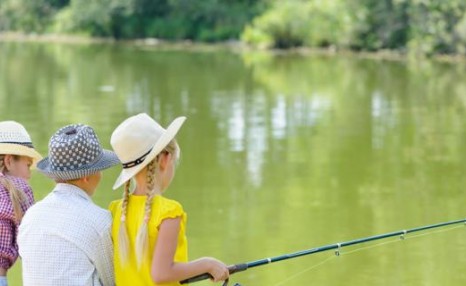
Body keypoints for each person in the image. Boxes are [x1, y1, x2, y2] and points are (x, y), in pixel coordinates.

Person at [109, 113, 229, 285]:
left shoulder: (116, 210)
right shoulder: (168, 212)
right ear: (165, 159)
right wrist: (207, 264)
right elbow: (161, 274)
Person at [18, 124, 120, 286]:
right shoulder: (99, 220)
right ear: (86, 176)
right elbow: (112, 279)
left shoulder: (31, 215)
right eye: (99, 169)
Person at [0, 121, 42, 286]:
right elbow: (32, 243)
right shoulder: (19, 189)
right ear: (9, 161)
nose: (29, 175)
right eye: (27, 165)